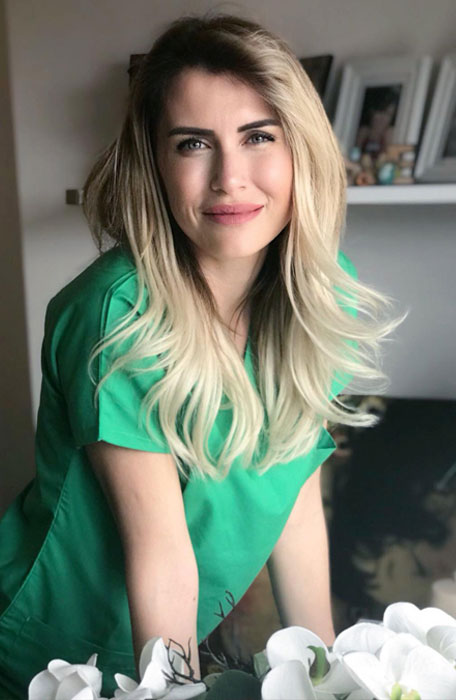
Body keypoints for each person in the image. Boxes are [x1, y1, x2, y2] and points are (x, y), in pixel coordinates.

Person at [0, 11, 405, 698]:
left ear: (300, 149)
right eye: (193, 143)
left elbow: (293, 498)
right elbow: (161, 556)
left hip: (159, 645)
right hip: (49, 663)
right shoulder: (116, 314)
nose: (229, 178)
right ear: (155, 164)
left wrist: (331, 678)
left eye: (258, 137)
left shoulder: (319, 291)